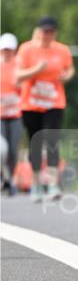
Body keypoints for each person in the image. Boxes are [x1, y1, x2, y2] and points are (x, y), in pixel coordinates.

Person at [15, 16, 74, 202]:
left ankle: (53, 184)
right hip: (31, 103)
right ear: (38, 31)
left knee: (52, 140)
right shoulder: (26, 49)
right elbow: (18, 75)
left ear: (55, 33)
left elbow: (70, 69)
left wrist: (66, 76)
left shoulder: (62, 50)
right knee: (35, 142)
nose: (47, 35)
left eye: (51, 31)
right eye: (45, 31)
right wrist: (37, 69)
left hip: (54, 103)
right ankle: (36, 184)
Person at [1, 33, 22, 195]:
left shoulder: (20, 65)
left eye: (10, 49)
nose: (7, 52)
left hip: (16, 114)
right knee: (2, 148)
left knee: (13, 149)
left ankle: (10, 179)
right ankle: (2, 176)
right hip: (0, 115)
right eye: (4, 49)